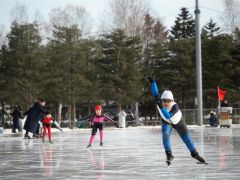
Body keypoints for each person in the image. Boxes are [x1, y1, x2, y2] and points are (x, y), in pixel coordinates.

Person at [149, 78, 206, 165]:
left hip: (178, 121)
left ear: (172, 101)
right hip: (167, 122)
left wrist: (161, 107)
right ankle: (169, 155)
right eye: (163, 100)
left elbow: (168, 115)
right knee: (165, 136)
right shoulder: (159, 102)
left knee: (187, 139)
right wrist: (153, 83)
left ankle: (195, 154)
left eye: (167, 101)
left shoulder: (175, 107)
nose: (165, 103)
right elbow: (155, 93)